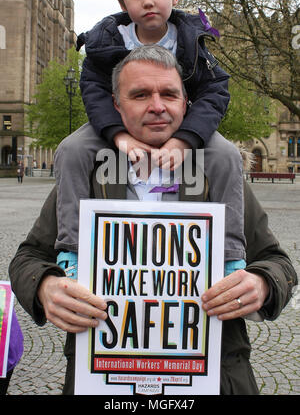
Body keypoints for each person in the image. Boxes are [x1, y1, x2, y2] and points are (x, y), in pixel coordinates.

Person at [9, 47, 297, 395]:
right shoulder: (88, 176)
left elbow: (278, 263)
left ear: (186, 102)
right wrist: (45, 287)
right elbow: (27, 259)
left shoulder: (215, 175)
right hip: (105, 380)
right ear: (116, 105)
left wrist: (262, 284)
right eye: (140, 94)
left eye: (169, 94)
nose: (157, 106)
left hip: (215, 377)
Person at [54, 0, 246, 280]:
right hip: (115, 123)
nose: (148, 1)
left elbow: (216, 90)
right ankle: (71, 249)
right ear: (122, 2)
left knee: (227, 155)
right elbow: (95, 92)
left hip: (184, 126)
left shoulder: (192, 39)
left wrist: (186, 139)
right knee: (70, 151)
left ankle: (230, 256)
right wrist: (118, 135)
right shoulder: (105, 42)